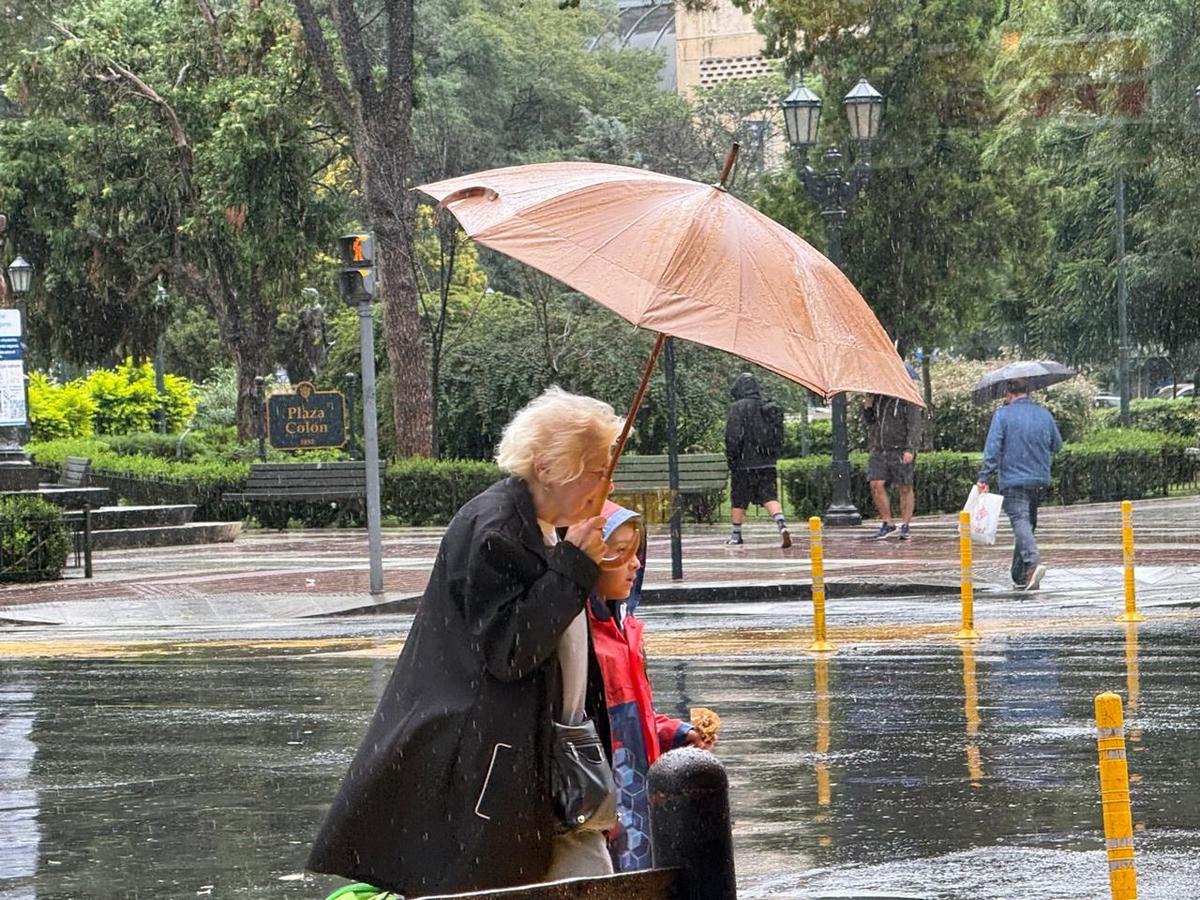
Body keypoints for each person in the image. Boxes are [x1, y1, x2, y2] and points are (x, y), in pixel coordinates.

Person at [308, 386, 622, 896]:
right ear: (549, 467)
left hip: (544, 758)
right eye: (597, 469)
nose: (607, 484)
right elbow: (511, 649)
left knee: (585, 879)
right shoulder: (496, 529)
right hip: (493, 765)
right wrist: (574, 567)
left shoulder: (546, 529)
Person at [588, 502, 714, 873]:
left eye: (636, 551)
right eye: (620, 552)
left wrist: (675, 733)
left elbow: (633, 719)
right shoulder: (584, 640)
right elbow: (601, 728)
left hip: (637, 802)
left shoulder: (625, 633)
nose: (635, 563)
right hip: (607, 805)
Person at [977, 378, 1063, 591]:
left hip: (1013, 480)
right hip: (1039, 479)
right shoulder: (1044, 414)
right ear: (1028, 392)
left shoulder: (1003, 415)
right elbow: (1057, 445)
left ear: (1009, 394)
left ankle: (1032, 563)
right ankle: (1020, 573)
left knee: (1020, 521)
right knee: (1027, 523)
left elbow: (993, 449)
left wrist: (984, 477)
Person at [724, 372, 791, 548]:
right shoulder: (767, 407)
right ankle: (781, 524)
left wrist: (732, 457)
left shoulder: (737, 408)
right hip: (766, 462)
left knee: (739, 498)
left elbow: (733, 436)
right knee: (769, 496)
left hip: (743, 463)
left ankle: (736, 535)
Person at [863, 365, 924, 540]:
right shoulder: (878, 397)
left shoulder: (908, 398)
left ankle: (905, 524)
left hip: (900, 449)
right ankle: (887, 522)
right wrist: (868, 405)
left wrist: (910, 448)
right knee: (876, 483)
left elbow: (914, 425)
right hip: (879, 448)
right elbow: (870, 421)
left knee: (904, 487)